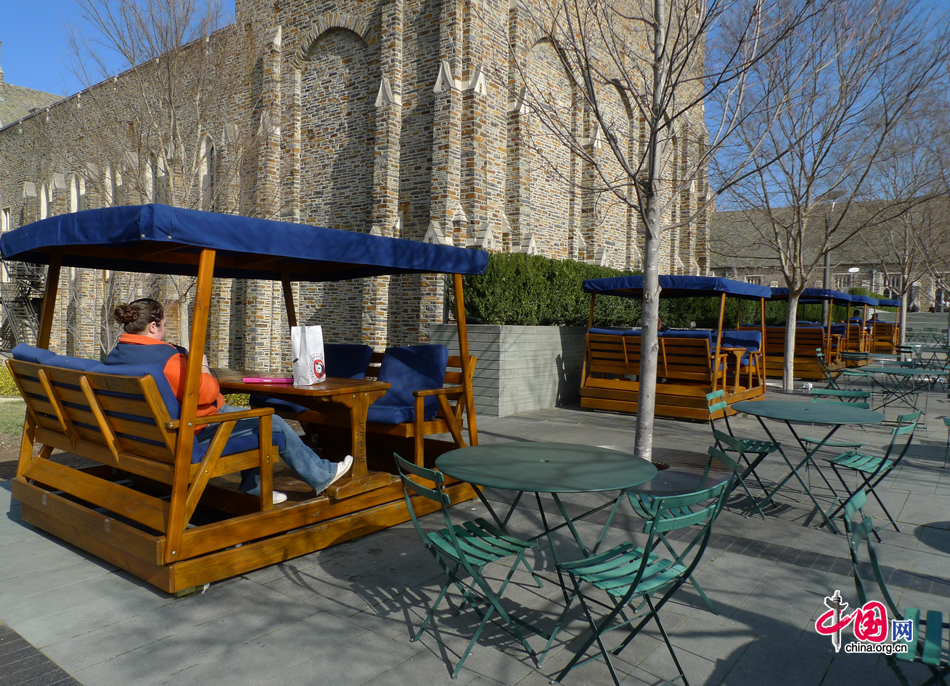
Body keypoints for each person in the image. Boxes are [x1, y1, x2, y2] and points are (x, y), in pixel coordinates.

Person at [107, 298, 352, 504]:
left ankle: (254, 487)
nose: (164, 331)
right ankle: (322, 475)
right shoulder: (167, 358)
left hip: (143, 436)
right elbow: (206, 394)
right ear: (152, 327)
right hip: (189, 435)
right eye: (163, 326)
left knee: (256, 419)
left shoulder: (115, 356)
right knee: (270, 420)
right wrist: (201, 366)